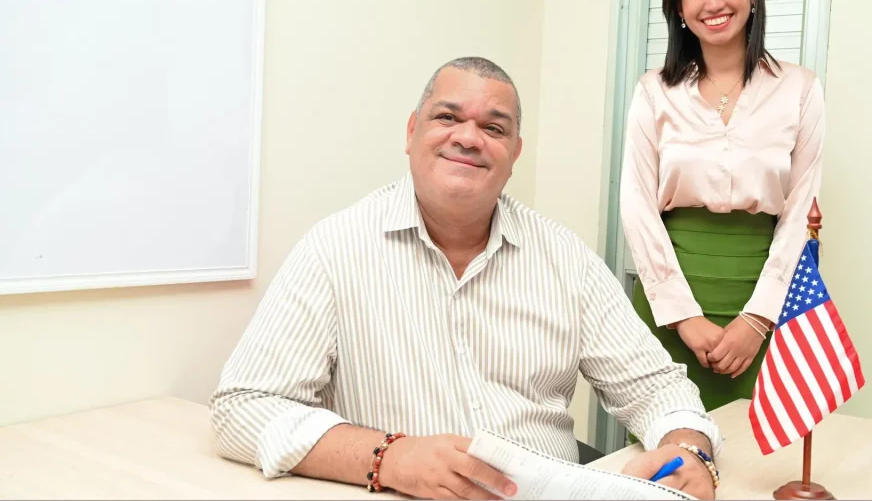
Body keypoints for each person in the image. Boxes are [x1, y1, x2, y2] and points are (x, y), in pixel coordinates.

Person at [210, 56, 723, 500]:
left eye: (494, 129)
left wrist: (688, 449)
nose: (468, 138)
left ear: (514, 154)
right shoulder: (333, 248)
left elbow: (654, 386)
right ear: (411, 132)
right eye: (447, 117)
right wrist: (389, 457)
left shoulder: (566, 257)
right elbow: (242, 407)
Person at [620, 0, 826, 414]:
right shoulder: (654, 91)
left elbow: (802, 210)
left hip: (767, 291)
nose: (713, 3)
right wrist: (682, 317)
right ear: (680, 8)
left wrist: (758, 318)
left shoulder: (800, 88)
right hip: (670, 293)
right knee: (666, 439)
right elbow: (636, 204)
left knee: (761, 443)